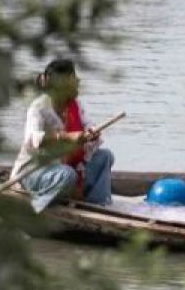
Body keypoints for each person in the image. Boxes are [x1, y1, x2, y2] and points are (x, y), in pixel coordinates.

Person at [11, 59, 113, 213]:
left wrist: (92, 133)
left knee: (104, 157)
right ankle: (34, 211)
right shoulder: (39, 108)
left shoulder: (75, 105)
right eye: (74, 78)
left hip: (63, 168)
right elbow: (34, 138)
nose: (78, 81)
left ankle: (98, 208)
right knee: (67, 174)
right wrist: (66, 137)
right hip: (32, 172)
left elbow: (88, 126)